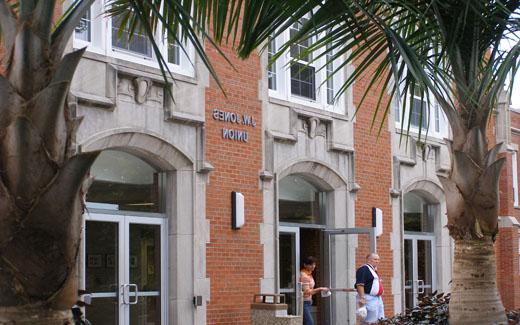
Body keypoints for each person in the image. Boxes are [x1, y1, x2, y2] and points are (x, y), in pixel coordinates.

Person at [355, 253, 384, 324]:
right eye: (375, 259)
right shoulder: (364, 269)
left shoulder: (373, 270)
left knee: (380, 318)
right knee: (369, 320)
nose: (377, 261)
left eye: (378, 259)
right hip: (369, 297)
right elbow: (359, 284)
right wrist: (362, 298)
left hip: (377, 298)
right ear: (368, 260)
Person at [299, 256, 329, 325]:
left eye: (314, 264)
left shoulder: (308, 273)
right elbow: (307, 292)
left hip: (308, 302)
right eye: (311, 264)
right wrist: (320, 289)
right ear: (305, 265)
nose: (313, 266)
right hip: (304, 302)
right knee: (310, 323)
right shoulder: (304, 275)